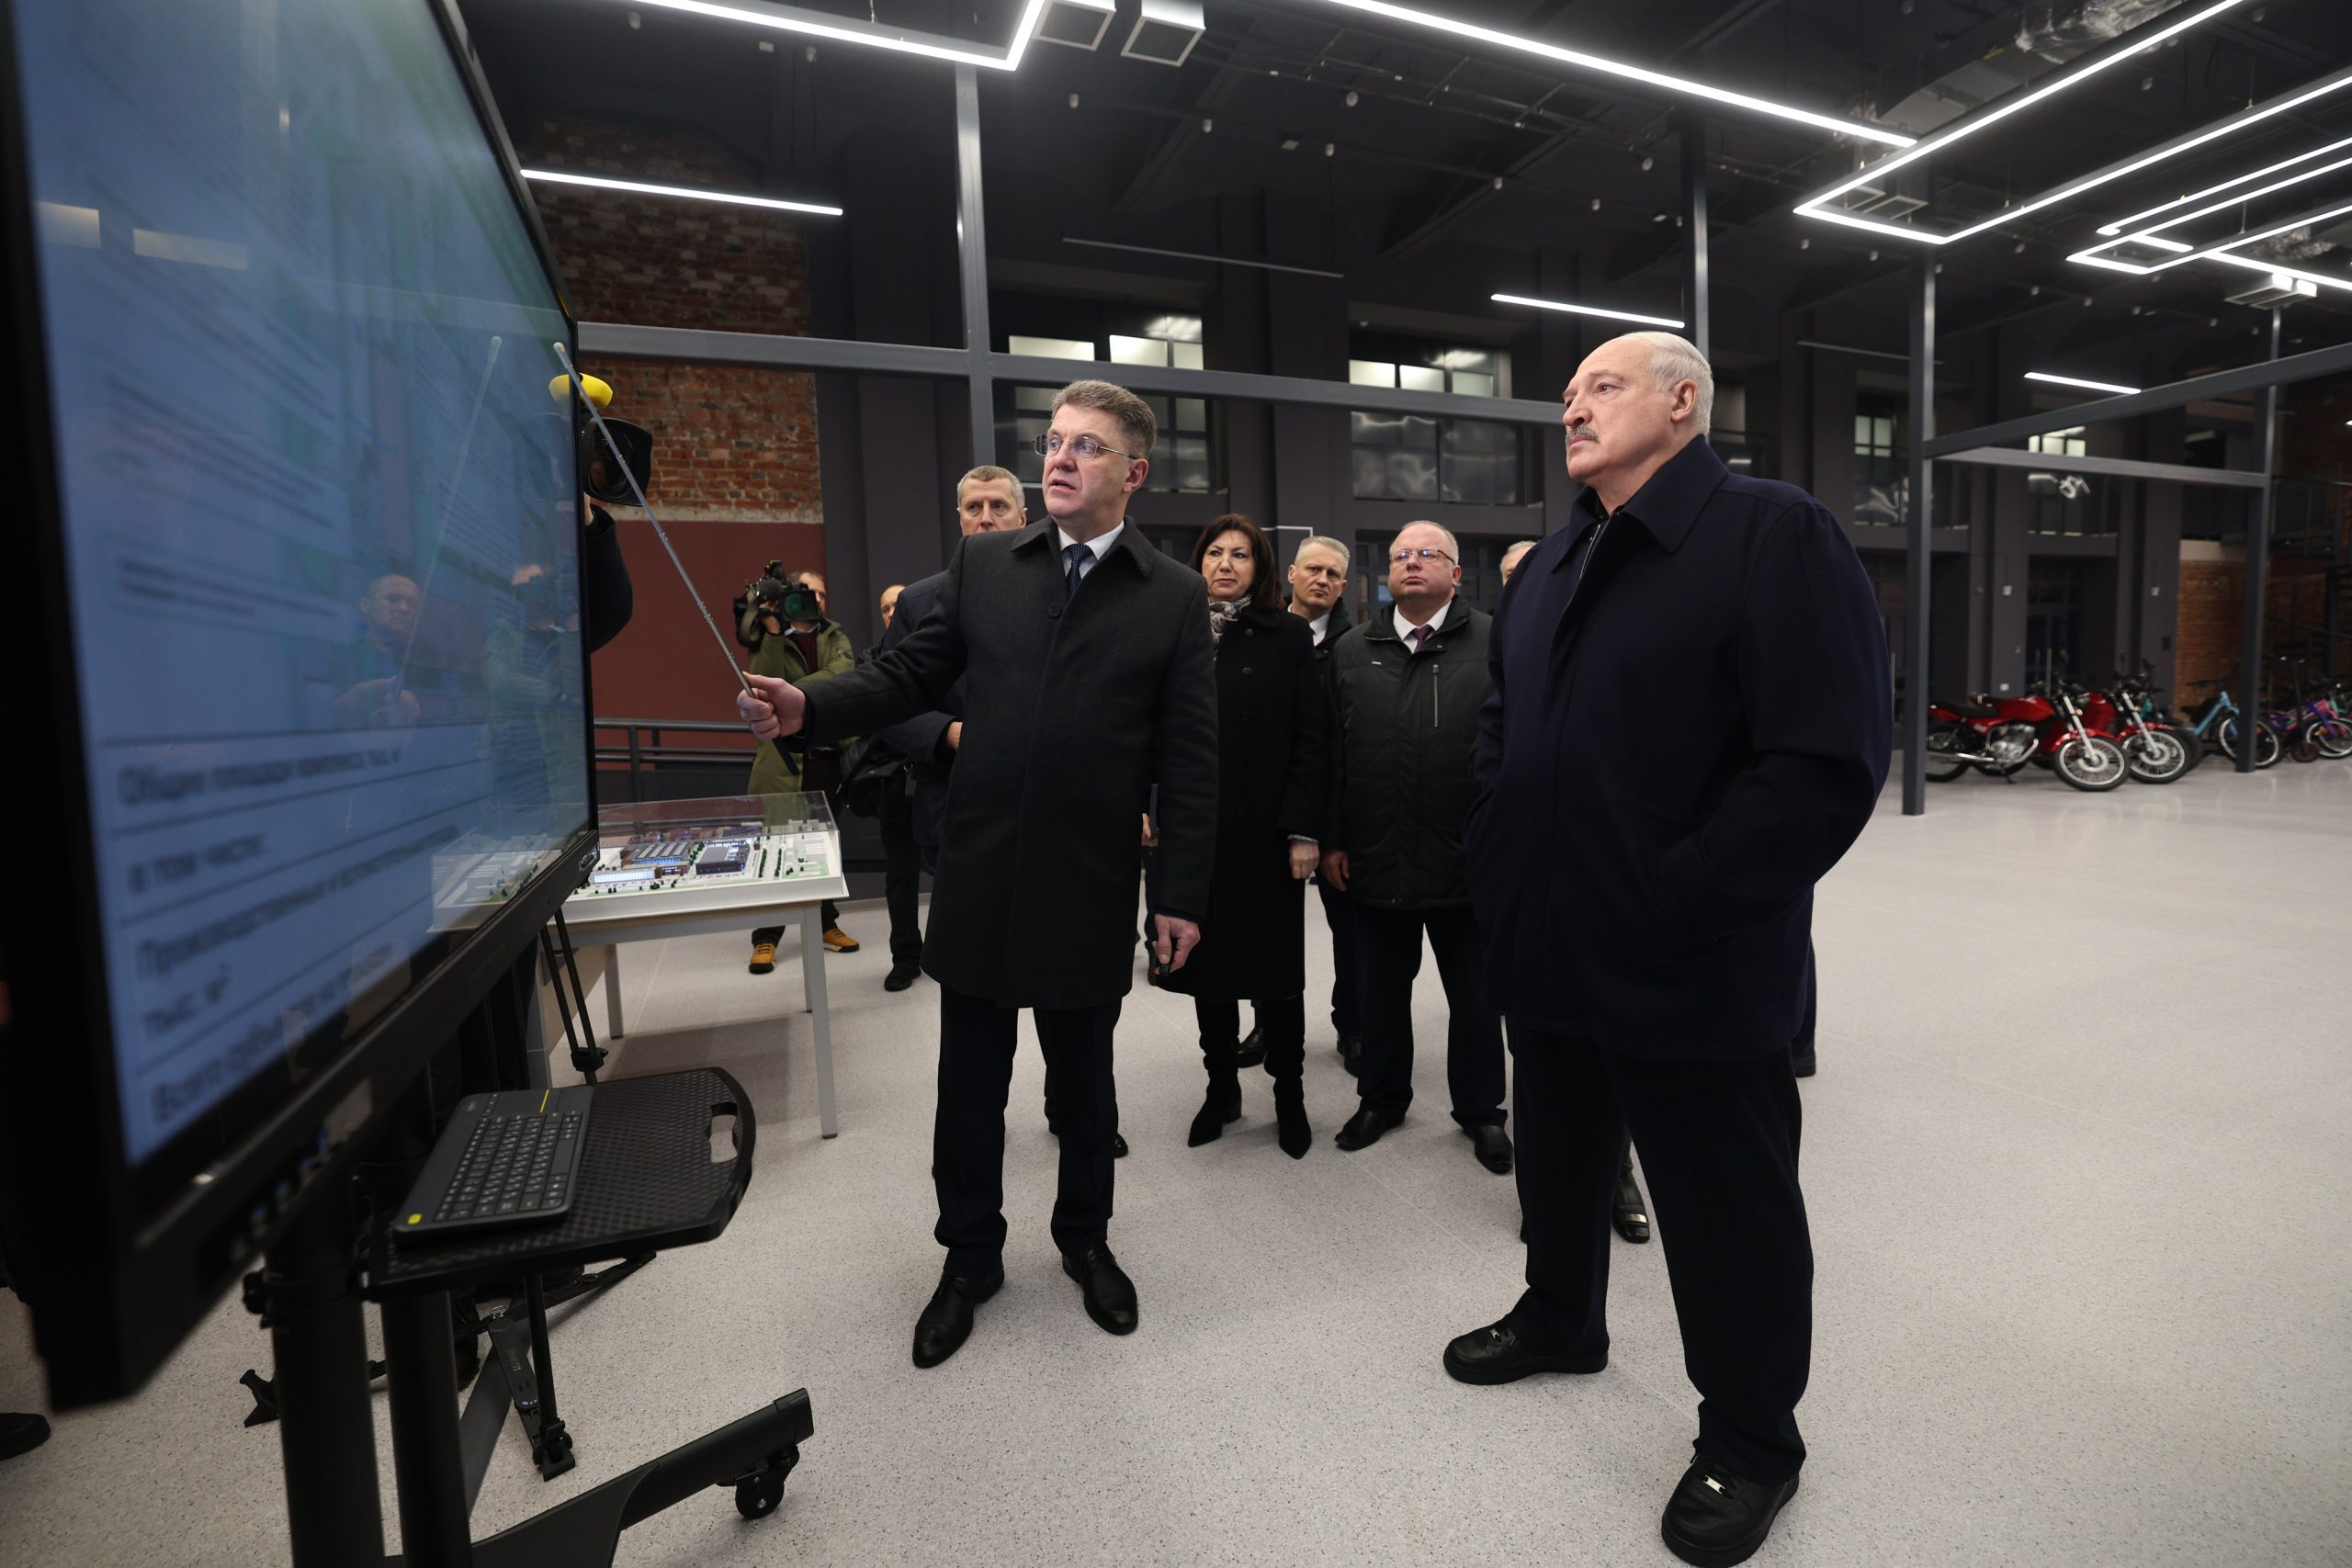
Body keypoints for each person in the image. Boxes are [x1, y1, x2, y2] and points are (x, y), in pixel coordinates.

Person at [1448, 332, 1888, 1568]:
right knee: (1560, 1156)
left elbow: (1823, 762)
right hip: (1547, 932)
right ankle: (1561, 1317)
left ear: (1684, 402)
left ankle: (1752, 1438)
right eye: (1568, 393)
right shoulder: (1554, 559)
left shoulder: (1770, 533)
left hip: (1692, 953)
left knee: (1723, 1207)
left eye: (1604, 386)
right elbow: (1502, 727)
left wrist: (1681, 894)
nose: (1572, 408)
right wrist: (1499, 851)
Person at [738, 380, 1215, 1369]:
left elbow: (1192, 757)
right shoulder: (988, 563)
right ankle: (968, 1257)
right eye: (1053, 441)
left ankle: (1085, 1240)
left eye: (1086, 446)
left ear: (1133, 472)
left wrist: (1178, 895)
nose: (1060, 459)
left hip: (1089, 876)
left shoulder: (1171, 595)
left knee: (1085, 1089)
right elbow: (904, 673)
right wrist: (809, 708)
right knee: (968, 1088)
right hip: (982, 866)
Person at [867, 468, 1129, 1156]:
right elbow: (892, 700)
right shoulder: (922, 601)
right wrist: (951, 735)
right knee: (978, 1003)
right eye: (973, 507)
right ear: (959, 518)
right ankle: (981, 1131)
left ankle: (1073, 1107)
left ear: (1024, 514)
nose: (985, 517)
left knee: (1069, 990)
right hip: (963, 818)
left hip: (1066, 826)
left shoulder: (1082, 589)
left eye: (998, 506)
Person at [1320, 523, 1510, 1175]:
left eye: (1428, 554)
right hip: (1377, 855)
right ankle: (1381, 1100)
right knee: (1380, 996)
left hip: (1468, 859)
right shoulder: (1353, 649)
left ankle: (1483, 1112)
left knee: (1476, 999)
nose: (1412, 563)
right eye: (1401, 555)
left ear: (1455, 573)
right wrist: (1333, 839)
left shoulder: (1493, 642)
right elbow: (1332, 755)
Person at [1158, 513, 1326, 1158]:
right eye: (1214, 553)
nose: (1225, 564)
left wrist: (1304, 829)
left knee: (1274, 970)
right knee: (1206, 967)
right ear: (1198, 562)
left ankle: (1289, 1095)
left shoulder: (1288, 633)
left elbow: (1311, 738)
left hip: (1265, 832)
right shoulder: (1175, 631)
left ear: (1260, 569)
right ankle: (1221, 1087)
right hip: (1193, 830)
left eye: (1241, 555)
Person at [1502, 531, 1651, 1238]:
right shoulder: (1516, 626)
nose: (1523, 583)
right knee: (1542, 1066)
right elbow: (1491, 739)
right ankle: (1549, 1209)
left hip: (1621, 887)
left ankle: (1617, 1173)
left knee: (1616, 1058)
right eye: (1512, 575)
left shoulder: (1615, 631)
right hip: (1529, 885)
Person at [1240, 534, 1361, 1076]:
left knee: (1350, 933)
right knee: (1266, 927)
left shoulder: (1356, 645)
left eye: (1333, 574)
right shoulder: (1259, 633)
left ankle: (1352, 1026)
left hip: (1336, 809)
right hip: (1270, 807)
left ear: (1343, 585)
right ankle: (1267, 1024)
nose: (1322, 580)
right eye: (1314, 569)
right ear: (1291, 574)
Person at [742, 567, 857, 972]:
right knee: (775, 851)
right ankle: (766, 936)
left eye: (821, 593)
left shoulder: (835, 636)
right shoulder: (769, 636)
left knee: (825, 851)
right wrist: (774, 632)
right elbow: (764, 684)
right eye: (806, 591)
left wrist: (792, 693)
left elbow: (845, 676)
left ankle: (826, 925)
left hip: (827, 762)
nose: (814, 599)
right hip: (782, 765)